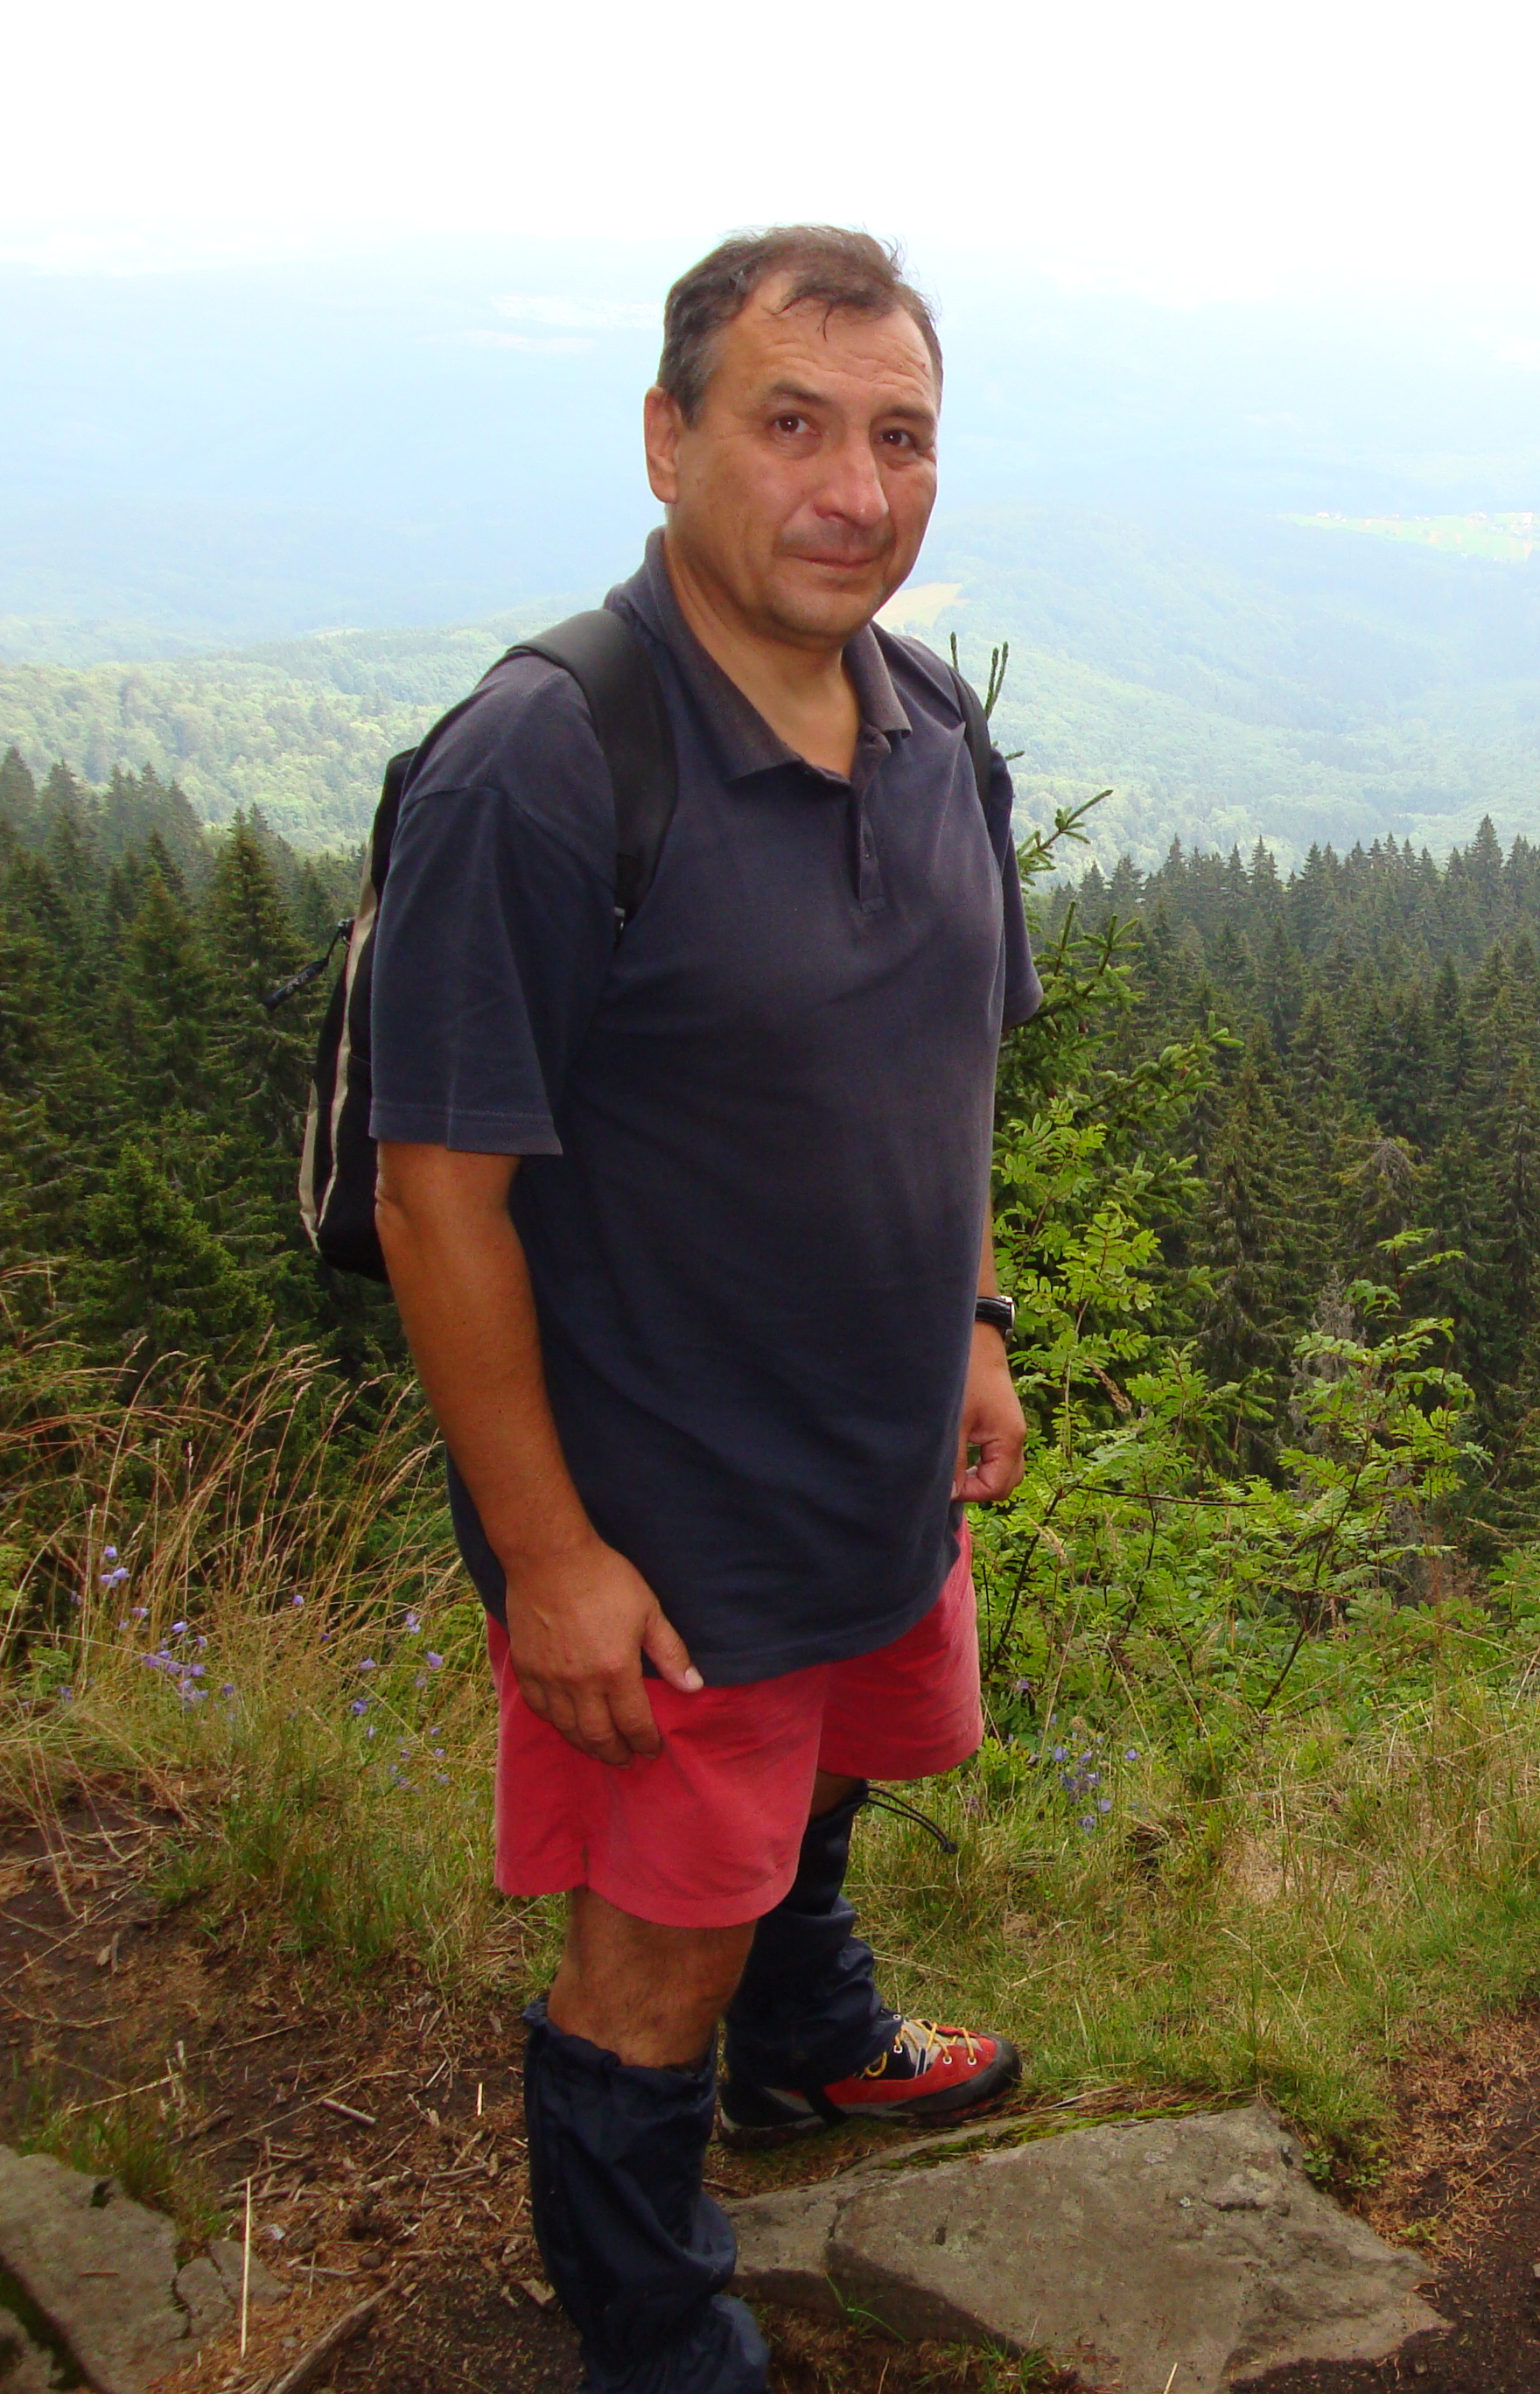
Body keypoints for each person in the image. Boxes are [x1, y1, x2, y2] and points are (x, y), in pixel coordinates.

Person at [367, 225, 1040, 2394]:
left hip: (867, 1475)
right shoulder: (545, 764)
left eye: (900, 437)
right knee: (647, 1970)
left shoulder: (933, 725)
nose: (855, 489)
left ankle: (813, 2039)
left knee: (832, 1777)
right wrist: (551, 1558)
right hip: (669, 1542)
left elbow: (948, 1063)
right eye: (791, 425)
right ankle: (661, 2341)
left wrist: (976, 1321)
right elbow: (433, 1198)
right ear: (667, 442)